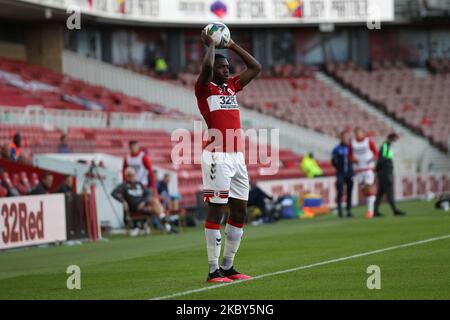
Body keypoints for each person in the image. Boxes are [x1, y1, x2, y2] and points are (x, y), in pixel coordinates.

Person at [195, 29, 261, 283]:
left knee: (240, 212)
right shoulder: (204, 88)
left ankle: (229, 266)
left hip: (236, 157)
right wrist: (212, 45)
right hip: (216, 156)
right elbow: (207, 66)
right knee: (217, 211)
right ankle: (213, 270)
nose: (227, 70)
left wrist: (232, 45)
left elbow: (256, 67)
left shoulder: (232, 87)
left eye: (228, 67)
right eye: (222, 67)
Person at [112, 167, 174, 236]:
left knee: (154, 202)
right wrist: (123, 201)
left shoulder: (139, 184)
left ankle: (166, 225)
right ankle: (166, 224)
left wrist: (144, 202)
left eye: (134, 175)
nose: (133, 177)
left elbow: (148, 193)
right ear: (127, 176)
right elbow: (113, 193)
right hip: (134, 207)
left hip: (144, 205)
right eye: (130, 175)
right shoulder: (123, 185)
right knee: (155, 204)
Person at [374, 133, 406, 217]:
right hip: (385, 173)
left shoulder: (387, 147)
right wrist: (381, 170)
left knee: (380, 193)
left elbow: (382, 159)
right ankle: (394, 210)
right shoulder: (385, 146)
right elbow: (382, 159)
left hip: (384, 172)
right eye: (395, 140)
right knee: (389, 192)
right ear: (392, 139)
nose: (396, 142)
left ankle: (375, 211)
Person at [349, 127, 378, 219]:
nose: (358, 135)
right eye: (356, 133)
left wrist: (372, 159)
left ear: (363, 133)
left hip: (368, 168)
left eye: (359, 133)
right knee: (364, 191)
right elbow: (349, 156)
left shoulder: (368, 141)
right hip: (359, 169)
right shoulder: (352, 143)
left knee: (369, 188)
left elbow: (376, 153)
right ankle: (372, 200)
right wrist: (353, 160)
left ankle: (370, 211)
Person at [332, 131, 354, 218]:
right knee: (340, 191)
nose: (346, 139)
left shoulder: (350, 148)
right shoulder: (337, 149)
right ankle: (340, 210)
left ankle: (349, 210)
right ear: (341, 138)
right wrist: (339, 168)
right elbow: (333, 160)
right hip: (340, 173)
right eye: (344, 137)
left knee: (349, 192)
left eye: (347, 137)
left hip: (349, 173)